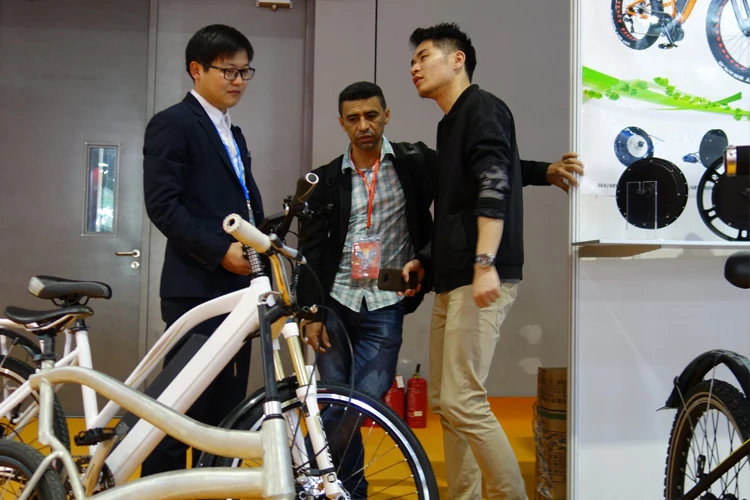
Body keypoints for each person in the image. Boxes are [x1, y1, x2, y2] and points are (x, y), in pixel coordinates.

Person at [402, 22, 584, 500]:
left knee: (463, 399)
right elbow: (483, 177)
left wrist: (485, 262)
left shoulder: (482, 107)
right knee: (447, 403)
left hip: (478, 272)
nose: (414, 67)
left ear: (457, 59)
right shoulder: (452, 122)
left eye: (424, 56)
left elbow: (492, 182)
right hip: (452, 276)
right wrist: (428, 259)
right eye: (413, 60)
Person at [296, 81, 435, 496]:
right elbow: (310, 252)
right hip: (335, 305)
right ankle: (350, 490)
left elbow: (471, 170)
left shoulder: (414, 163)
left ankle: (308, 474)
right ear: (341, 123)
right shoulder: (323, 180)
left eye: (371, 115)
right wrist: (311, 312)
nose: (364, 126)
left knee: (363, 403)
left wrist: (542, 171)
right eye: (353, 118)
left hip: (385, 304)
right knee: (337, 401)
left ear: (386, 116)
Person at [141, 24, 264, 475]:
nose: (238, 80)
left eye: (245, 71)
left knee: (224, 412)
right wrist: (219, 251)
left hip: (237, 289)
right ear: (196, 69)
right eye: (228, 71)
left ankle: (213, 486)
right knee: (178, 414)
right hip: (196, 288)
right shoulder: (174, 123)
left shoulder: (233, 132)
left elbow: (242, 203)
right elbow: (163, 205)